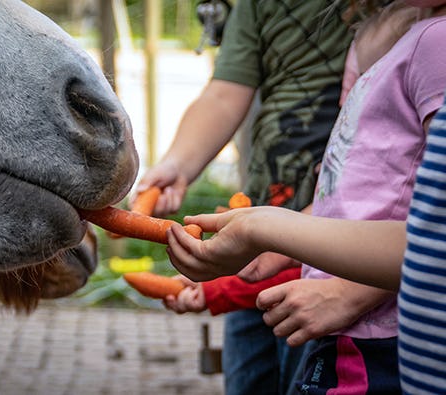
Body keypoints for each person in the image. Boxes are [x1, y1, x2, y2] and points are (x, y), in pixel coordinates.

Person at [165, 1, 446, 393]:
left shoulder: (435, 43)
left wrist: (342, 289)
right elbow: (349, 185)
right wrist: (278, 244)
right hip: (339, 325)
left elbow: (434, 231)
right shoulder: (376, 33)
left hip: (382, 335)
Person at [132, 0, 352, 393]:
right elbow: (224, 93)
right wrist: (177, 166)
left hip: (339, 244)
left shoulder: (387, 15)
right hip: (256, 224)